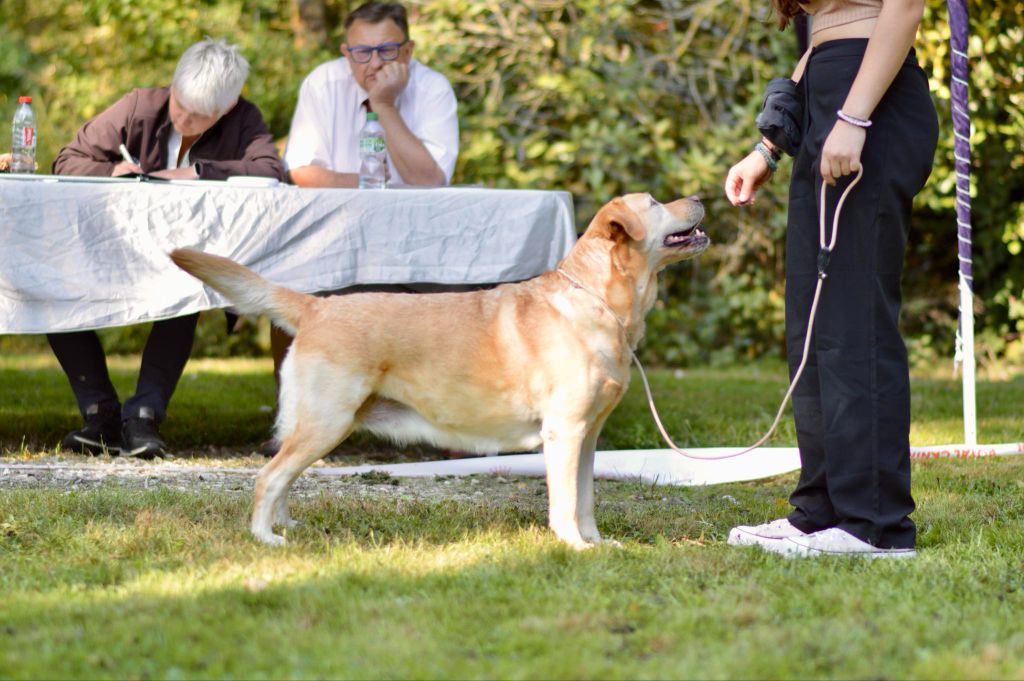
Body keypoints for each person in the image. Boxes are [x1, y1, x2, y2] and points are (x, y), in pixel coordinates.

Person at [723, 0, 937, 557]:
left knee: (853, 320)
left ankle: (875, 524)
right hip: (827, 93)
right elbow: (816, 40)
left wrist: (856, 116)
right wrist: (768, 147)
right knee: (813, 325)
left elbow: (906, 7)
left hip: (873, 100)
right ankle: (821, 510)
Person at [49, 38, 286, 458]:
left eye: (200, 116)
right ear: (172, 87)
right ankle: (100, 413)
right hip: (112, 244)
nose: (185, 120)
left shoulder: (244, 118)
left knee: (186, 289)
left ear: (227, 108)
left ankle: (143, 417)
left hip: (184, 255)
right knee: (51, 282)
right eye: (180, 105)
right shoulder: (140, 104)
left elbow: (270, 169)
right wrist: (111, 170)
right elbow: (67, 159)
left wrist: (197, 172)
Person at [257, 1, 460, 457]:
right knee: (293, 281)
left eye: (385, 51)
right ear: (346, 51)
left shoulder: (433, 90)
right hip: (333, 238)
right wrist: (377, 186)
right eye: (360, 53)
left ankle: (455, 423)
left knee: (467, 284)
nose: (372, 64)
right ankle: (297, 422)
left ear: (407, 51)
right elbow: (303, 171)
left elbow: (429, 179)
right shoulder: (323, 82)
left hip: (414, 245)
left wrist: (385, 106)